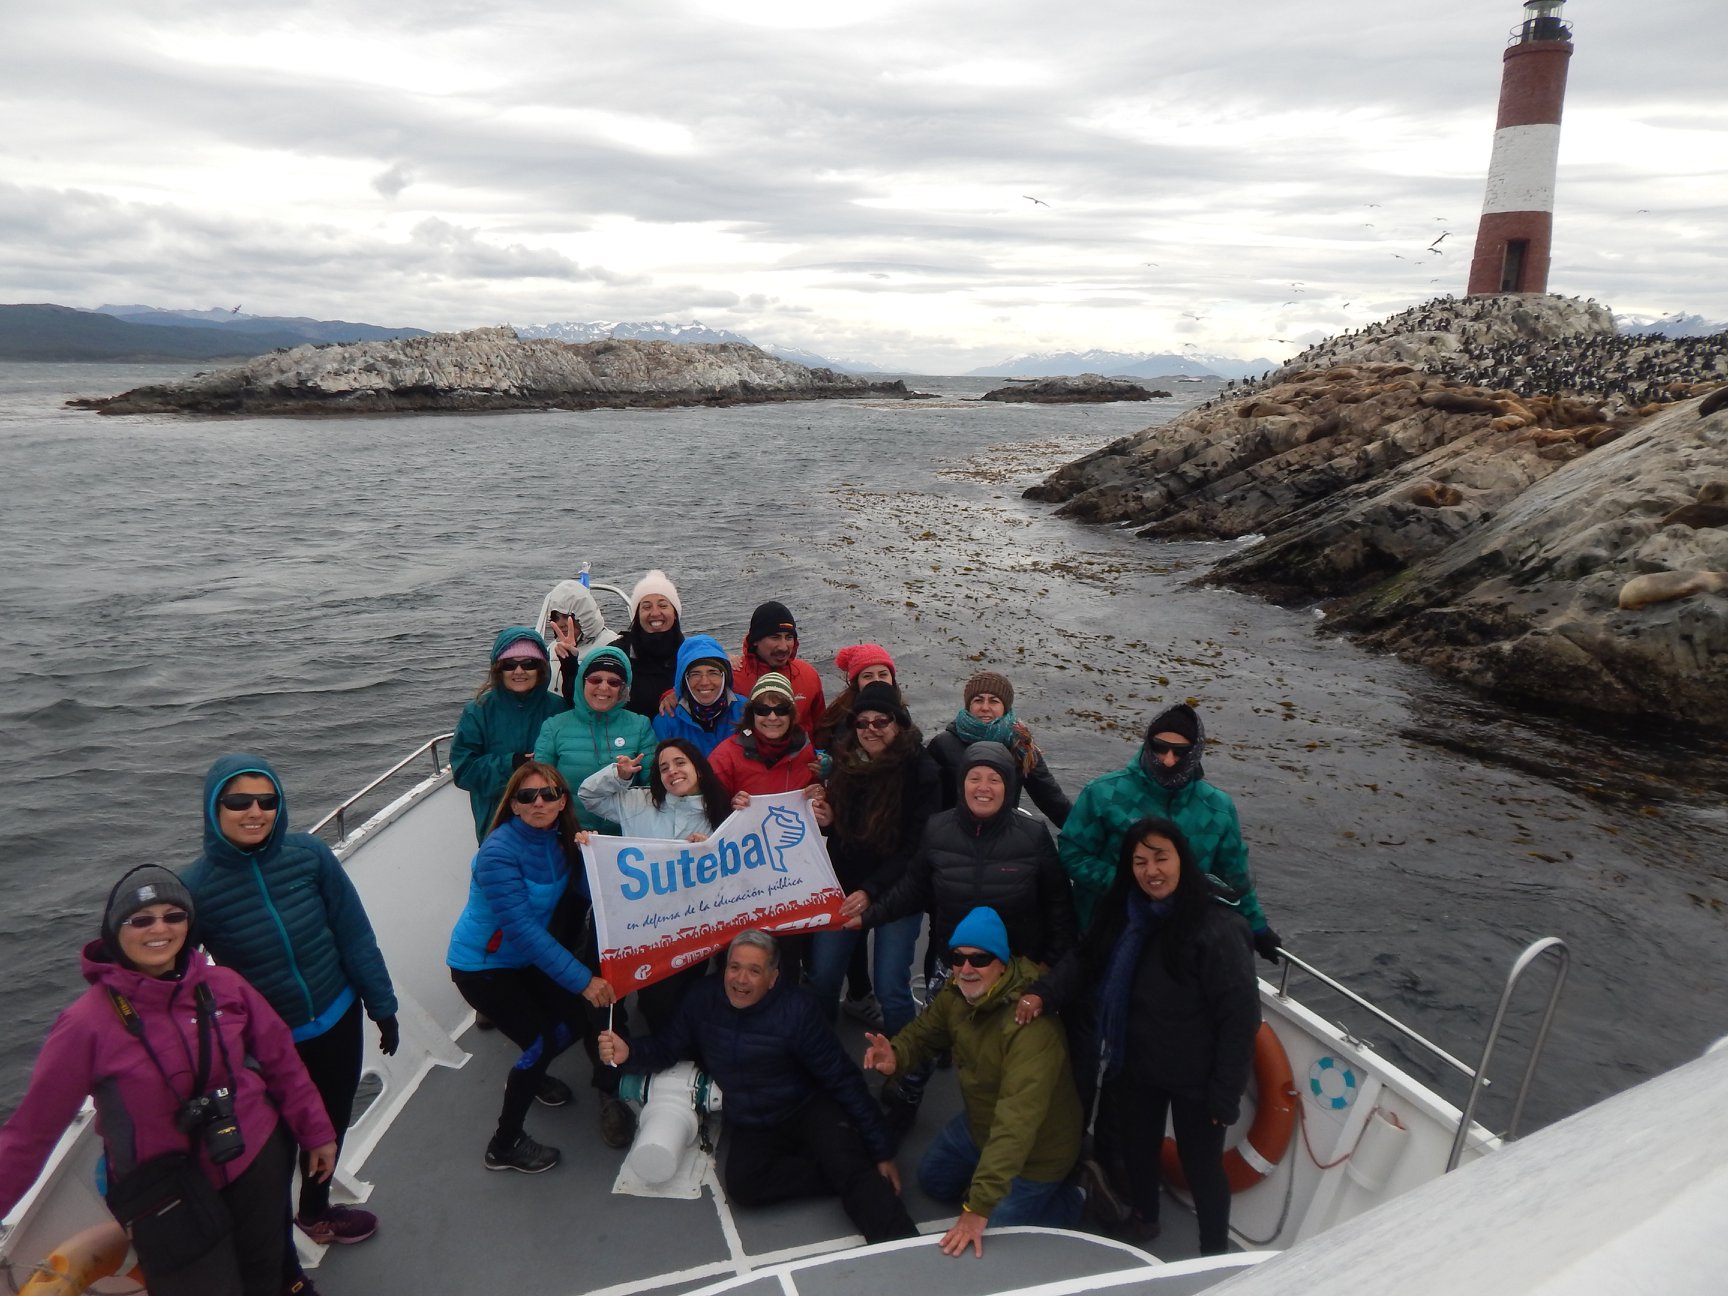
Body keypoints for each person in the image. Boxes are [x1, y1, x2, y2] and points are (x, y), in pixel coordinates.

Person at [0, 866, 338, 1296]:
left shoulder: (226, 986)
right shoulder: (84, 1025)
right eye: (141, 919)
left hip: (252, 1156)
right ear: (114, 931)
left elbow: (281, 1062)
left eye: (173, 916)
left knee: (266, 1273)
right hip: (164, 1193)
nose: (159, 929)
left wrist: (318, 1134)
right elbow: (30, 1133)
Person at [182, 754, 397, 1255]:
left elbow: (353, 934)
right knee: (273, 1147)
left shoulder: (310, 856)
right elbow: (178, 978)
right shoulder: (195, 888)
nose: (255, 811)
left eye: (267, 800)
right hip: (266, 1044)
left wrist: (380, 1005)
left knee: (331, 1122)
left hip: (337, 1014)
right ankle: (268, 1243)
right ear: (214, 807)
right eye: (238, 801)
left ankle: (316, 1211)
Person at [1019, 818, 1260, 1253]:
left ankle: (1213, 1257)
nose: (1152, 871)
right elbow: (1086, 958)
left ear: (1182, 860)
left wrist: (1225, 1094)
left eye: (1161, 858)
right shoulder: (1125, 912)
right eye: (1140, 861)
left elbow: (1240, 1016)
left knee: (1202, 1169)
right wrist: (1043, 994)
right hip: (1136, 1062)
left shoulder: (1217, 929)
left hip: (1196, 1077)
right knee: (1139, 1149)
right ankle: (1145, 1218)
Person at [597, 931, 916, 1245]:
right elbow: (667, 1047)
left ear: (774, 978)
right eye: (734, 967)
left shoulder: (798, 1011)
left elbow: (842, 1079)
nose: (741, 979)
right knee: (744, 1187)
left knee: (857, 1173)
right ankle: (847, 1169)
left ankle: (903, 1244)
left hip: (807, 1106)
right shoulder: (701, 999)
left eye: (754, 970)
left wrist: (883, 1152)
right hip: (754, 1119)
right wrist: (630, 1053)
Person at [861, 907, 1082, 1257]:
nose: (966, 969)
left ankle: (1073, 1197)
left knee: (997, 1237)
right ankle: (993, 1179)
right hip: (981, 1124)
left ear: (1002, 963)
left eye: (979, 959)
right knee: (933, 1180)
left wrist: (977, 1209)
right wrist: (898, 1054)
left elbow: (1016, 1124)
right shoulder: (955, 996)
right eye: (957, 958)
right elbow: (924, 1033)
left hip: (1037, 1152)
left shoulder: (1032, 1030)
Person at [447, 761, 630, 1167]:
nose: (539, 802)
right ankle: (504, 1144)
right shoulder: (497, 853)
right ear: (512, 805)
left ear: (563, 799)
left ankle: (534, 1072)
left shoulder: (561, 840)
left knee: (576, 1022)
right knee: (541, 1042)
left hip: (524, 962)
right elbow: (523, 930)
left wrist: (594, 853)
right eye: (527, 796)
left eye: (549, 794)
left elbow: (588, 891)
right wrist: (584, 980)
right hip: (483, 966)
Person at [1059, 702, 1280, 958]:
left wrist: (1257, 927)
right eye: (1159, 748)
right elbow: (1072, 854)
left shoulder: (1218, 808)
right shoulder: (1103, 793)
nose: (1168, 759)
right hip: (1105, 932)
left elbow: (1235, 878)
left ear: (1196, 752)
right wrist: (1132, 885)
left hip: (1178, 941)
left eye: (1180, 751)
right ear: (1147, 743)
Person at [855, 741, 1076, 972]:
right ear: (962, 784)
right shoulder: (937, 830)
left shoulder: (1033, 835)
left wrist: (1047, 966)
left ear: (1008, 786)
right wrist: (866, 918)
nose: (983, 788)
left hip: (1015, 968)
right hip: (955, 965)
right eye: (974, 778)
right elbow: (911, 890)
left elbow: (1059, 907)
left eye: (994, 780)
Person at [808, 682, 939, 1044]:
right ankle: (819, 1052)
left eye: (881, 721)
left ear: (898, 723)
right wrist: (829, 819)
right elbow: (847, 829)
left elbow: (916, 847)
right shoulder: (847, 763)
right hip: (845, 884)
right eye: (862, 723)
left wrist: (871, 890)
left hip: (898, 890)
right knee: (823, 976)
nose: (870, 730)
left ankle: (903, 1064)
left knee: (890, 986)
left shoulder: (922, 770)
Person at [578, 739, 733, 1029]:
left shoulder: (719, 814)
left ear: (698, 767)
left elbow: (732, 875)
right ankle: (614, 1044)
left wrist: (711, 851)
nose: (672, 771)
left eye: (680, 762)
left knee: (660, 1005)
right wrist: (618, 775)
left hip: (681, 925)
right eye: (664, 767)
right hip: (628, 918)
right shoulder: (638, 800)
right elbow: (589, 795)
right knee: (607, 995)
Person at [452, 626, 571, 841]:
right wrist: (512, 765)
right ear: (499, 669)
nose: (519, 671)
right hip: (497, 823)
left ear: (541, 668)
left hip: (551, 824)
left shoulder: (558, 708)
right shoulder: (478, 711)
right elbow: (463, 770)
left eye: (529, 664)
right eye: (509, 664)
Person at [533, 645, 657, 833]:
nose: (604, 687)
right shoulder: (554, 727)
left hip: (625, 840)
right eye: (595, 679)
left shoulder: (640, 726)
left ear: (623, 689)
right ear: (582, 682)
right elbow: (540, 786)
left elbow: (652, 785)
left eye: (614, 682)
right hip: (569, 836)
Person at [927, 671, 1071, 827]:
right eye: (978, 700)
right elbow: (926, 800)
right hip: (952, 831)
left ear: (1005, 707)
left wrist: (1087, 833)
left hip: (1002, 832)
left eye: (994, 701)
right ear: (968, 706)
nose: (985, 707)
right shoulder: (942, 745)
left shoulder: (1020, 745)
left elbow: (1049, 796)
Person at [709, 672, 823, 801]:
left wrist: (824, 812)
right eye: (763, 710)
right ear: (751, 714)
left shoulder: (806, 752)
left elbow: (817, 799)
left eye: (781, 710)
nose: (772, 717)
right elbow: (710, 810)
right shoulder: (724, 758)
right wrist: (731, 807)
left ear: (791, 715)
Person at [731, 601, 826, 736]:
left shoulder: (808, 674)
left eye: (789, 637)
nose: (783, 646)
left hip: (802, 755)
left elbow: (822, 729)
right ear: (755, 640)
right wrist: (719, 657)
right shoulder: (733, 676)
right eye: (775, 637)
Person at [652, 633, 745, 758]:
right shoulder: (666, 721)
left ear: (725, 677)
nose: (705, 682)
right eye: (695, 674)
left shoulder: (746, 711)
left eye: (713, 673)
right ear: (684, 679)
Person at [536, 578, 620, 707]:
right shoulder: (552, 650)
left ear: (584, 615)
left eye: (567, 616)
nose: (560, 624)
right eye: (555, 618)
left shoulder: (613, 646)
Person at [613, 570, 684, 718]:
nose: (655, 613)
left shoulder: (688, 652)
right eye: (646, 607)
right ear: (637, 616)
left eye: (663, 606)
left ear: (675, 614)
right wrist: (570, 665)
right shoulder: (619, 652)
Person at [813, 643, 901, 750]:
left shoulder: (900, 708)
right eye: (868, 676)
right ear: (856, 682)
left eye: (883, 675)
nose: (876, 680)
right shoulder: (842, 718)